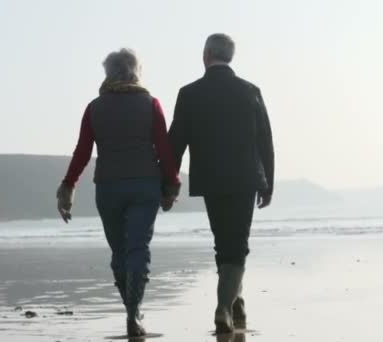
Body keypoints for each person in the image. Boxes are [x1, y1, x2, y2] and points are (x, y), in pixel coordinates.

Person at [56, 48, 180, 337]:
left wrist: (68, 186)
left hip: (108, 188)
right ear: (136, 71)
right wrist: (171, 185)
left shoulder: (94, 107)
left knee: (119, 252)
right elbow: (163, 148)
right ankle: (133, 314)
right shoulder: (151, 104)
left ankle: (131, 310)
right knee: (138, 248)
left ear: (108, 73)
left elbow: (82, 152)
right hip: (144, 185)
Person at [166, 33, 275, 333]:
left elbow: (175, 142)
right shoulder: (250, 91)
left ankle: (234, 301)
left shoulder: (189, 93)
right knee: (237, 243)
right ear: (230, 56)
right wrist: (268, 183)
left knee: (223, 243)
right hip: (245, 179)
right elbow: (265, 140)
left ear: (206, 55)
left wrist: (169, 182)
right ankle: (225, 306)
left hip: (210, 178)